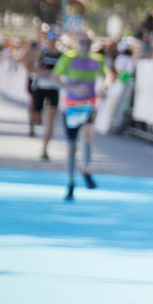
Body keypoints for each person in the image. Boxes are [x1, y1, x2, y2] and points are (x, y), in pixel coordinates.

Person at [54, 30, 106, 201]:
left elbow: (106, 76)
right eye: (82, 42)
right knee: (72, 147)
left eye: (88, 42)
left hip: (89, 106)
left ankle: (87, 169)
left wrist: (104, 87)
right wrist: (72, 88)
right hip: (71, 107)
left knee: (89, 137)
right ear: (78, 43)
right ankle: (70, 181)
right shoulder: (69, 58)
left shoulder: (97, 60)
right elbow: (55, 77)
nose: (85, 45)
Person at [27, 31, 62, 158]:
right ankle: (33, 121)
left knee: (51, 118)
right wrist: (39, 71)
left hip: (53, 89)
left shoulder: (62, 55)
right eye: (50, 37)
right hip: (40, 87)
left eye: (55, 37)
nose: (53, 40)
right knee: (37, 118)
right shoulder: (41, 53)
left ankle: (45, 148)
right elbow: (28, 66)